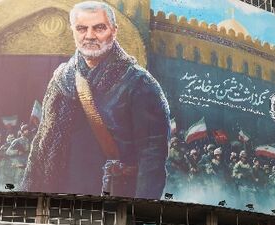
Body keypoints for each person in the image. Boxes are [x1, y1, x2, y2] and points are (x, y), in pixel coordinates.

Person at [22, 1, 170, 199]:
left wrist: (139, 213)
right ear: (73, 31)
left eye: (99, 28)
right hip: (59, 198)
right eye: (82, 28)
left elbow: (152, 158)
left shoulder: (140, 83)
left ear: (114, 31)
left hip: (112, 200)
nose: (90, 35)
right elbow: (41, 147)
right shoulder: (61, 79)